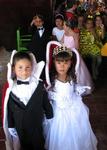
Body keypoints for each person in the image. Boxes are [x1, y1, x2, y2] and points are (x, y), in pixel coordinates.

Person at [44, 44, 98, 150]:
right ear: (54, 63)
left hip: (74, 107)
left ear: (70, 63)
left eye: (66, 62)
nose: (62, 66)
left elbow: (72, 88)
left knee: (77, 129)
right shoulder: (52, 80)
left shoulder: (71, 77)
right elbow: (50, 95)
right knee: (62, 132)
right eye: (58, 62)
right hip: (60, 110)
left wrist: (78, 89)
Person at [2, 50, 53, 150]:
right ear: (13, 69)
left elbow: (44, 101)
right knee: (23, 145)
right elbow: (9, 108)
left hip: (36, 123)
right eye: (20, 68)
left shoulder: (38, 85)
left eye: (27, 68)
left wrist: (49, 115)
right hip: (20, 124)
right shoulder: (12, 88)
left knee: (39, 144)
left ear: (32, 67)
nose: (24, 71)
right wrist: (11, 125)